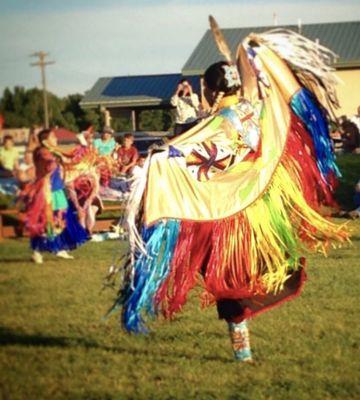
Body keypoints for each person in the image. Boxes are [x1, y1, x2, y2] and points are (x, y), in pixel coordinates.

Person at [107, 17, 349, 362]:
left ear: (210, 90)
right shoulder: (255, 110)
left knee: (229, 282)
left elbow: (183, 156)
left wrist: (154, 162)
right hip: (255, 212)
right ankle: (243, 348)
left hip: (224, 218)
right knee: (241, 277)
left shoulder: (220, 123)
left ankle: (243, 350)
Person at [21, 129, 89, 264]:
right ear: (45, 140)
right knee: (46, 222)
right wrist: (58, 157)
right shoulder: (41, 152)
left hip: (57, 190)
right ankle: (37, 251)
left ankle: (60, 248)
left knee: (63, 219)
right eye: (53, 137)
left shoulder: (53, 151)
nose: (56, 139)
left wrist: (81, 147)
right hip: (46, 192)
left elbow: (68, 159)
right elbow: (48, 163)